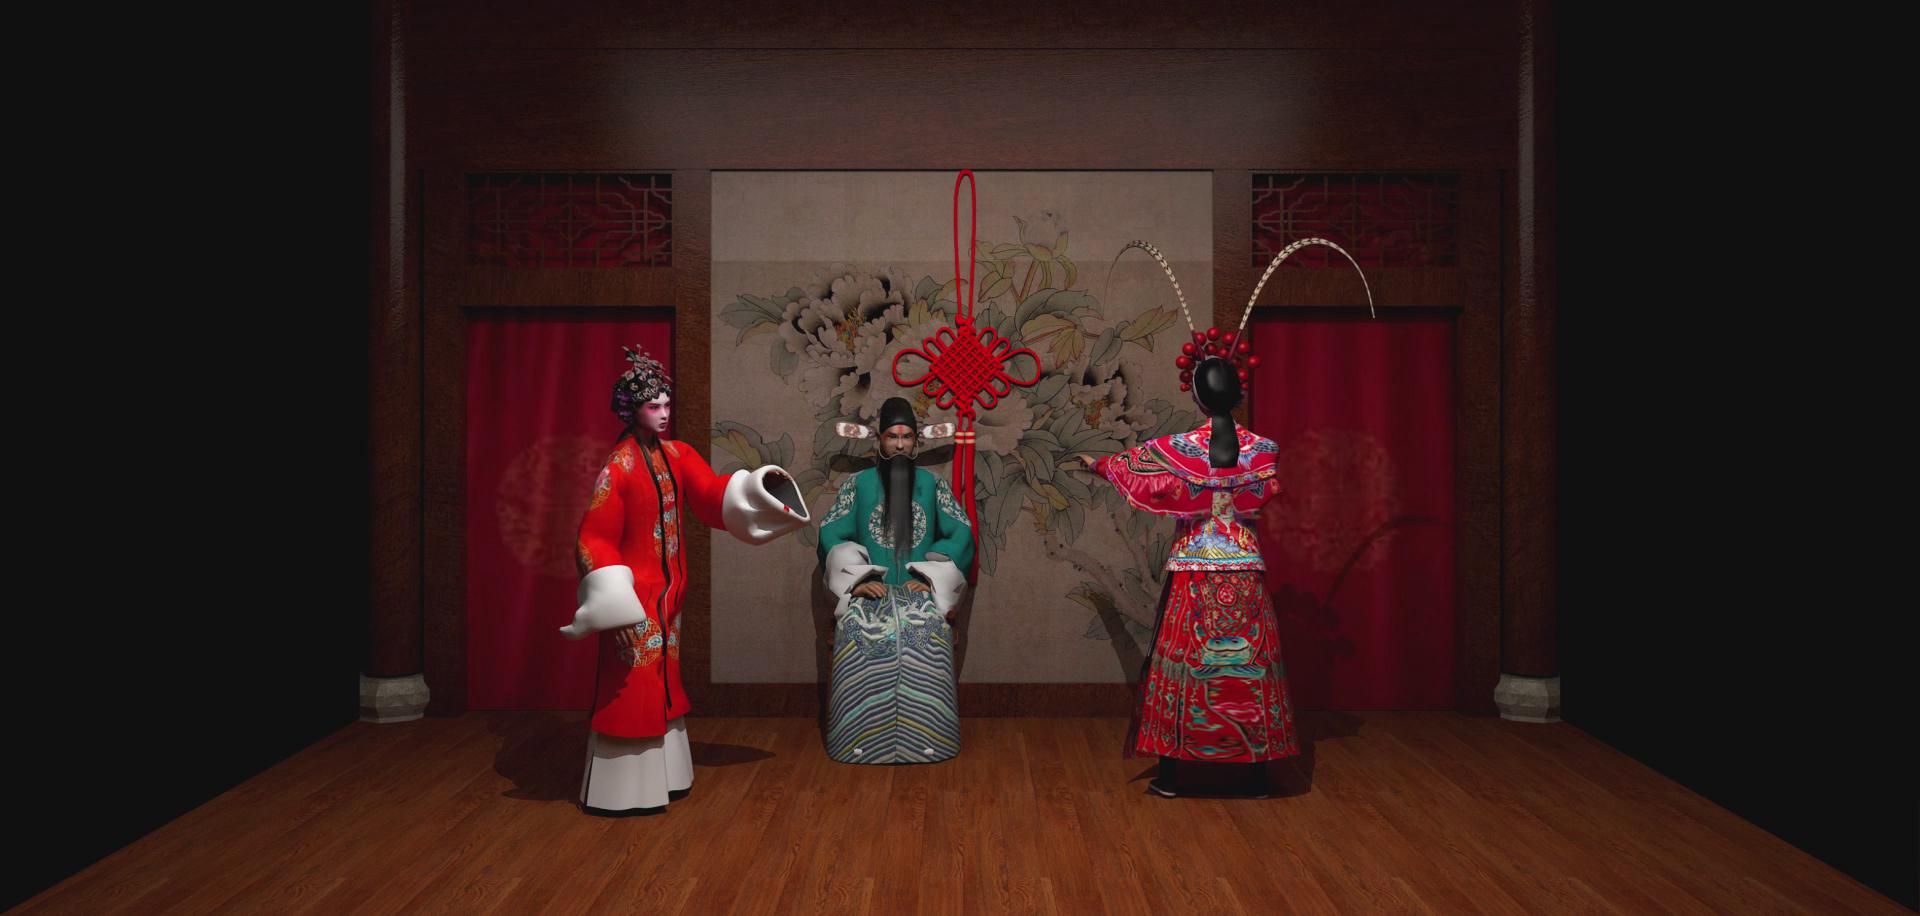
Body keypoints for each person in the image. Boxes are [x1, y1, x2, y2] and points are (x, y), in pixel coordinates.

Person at [560, 346, 809, 813]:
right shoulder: (619, 467)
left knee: (666, 678)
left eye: (666, 404)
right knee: (633, 685)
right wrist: (613, 597)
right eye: (653, 405)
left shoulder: (677, 454)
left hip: (671, 594)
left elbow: (711, 495)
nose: (663, 413)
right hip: (635, 597)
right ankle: (624, 792)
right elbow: (594, 536)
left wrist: (759, 486)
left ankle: (668, 776)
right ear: (631, 409)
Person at [816, 396, 974, 764]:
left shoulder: (933, 485)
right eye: (892, 436)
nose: (900, 445)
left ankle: (930, 740)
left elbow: (961, 533)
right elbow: (831, 534)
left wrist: (932, 579)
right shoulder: (858, 485)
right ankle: (857, 741)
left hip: (921, 598)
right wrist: (856, 580)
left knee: (927, 631)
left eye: (907, 437)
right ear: (879, 440)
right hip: (869, 597)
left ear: (917, 441)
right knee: (858, 630)